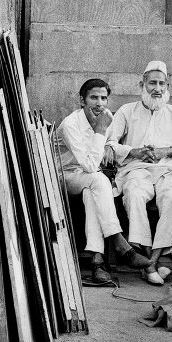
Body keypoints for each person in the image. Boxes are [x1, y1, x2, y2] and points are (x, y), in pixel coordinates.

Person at [106, 61, 172, 285]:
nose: (157, 89)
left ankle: (150, 263)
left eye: (161, 84)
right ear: (142, 85)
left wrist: (168, 150)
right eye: (152, 83)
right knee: (134, 195)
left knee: (170, 197)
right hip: (137, 168)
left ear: (167, 86)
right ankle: (151, 264)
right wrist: (134, 152)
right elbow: (110, 143)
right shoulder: (127, 111)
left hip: (169, 169)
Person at [56, 78, 151, 282]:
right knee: (98, 180)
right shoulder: (70, 124)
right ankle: (120, 243)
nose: (99, 103)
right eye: (94, 98)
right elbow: (91, 165)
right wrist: (100, 131)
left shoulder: (105, 118)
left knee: (92, 193)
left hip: (88, 179)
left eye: (103, 98)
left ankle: (97, 261)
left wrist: (129, 150)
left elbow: (110, 145)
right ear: (82, 101)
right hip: (64, 176)